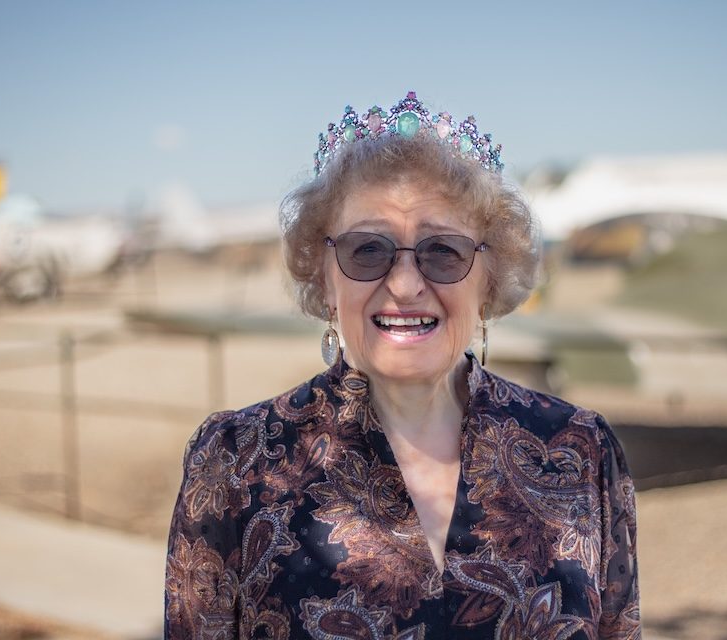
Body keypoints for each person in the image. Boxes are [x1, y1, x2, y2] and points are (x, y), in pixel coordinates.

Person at [165, 91, 640, 639]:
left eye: (443, 250)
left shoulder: (580, 450)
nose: (406, 284)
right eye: (367, 250)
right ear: (324, 277)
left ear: (489, 280)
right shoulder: (233, 464)